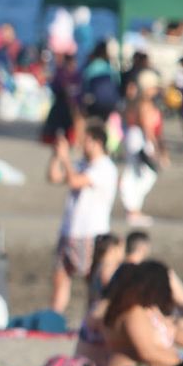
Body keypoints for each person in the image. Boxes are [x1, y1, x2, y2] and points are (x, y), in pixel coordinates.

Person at [48, 121, 117, 315]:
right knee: (60, 278)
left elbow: (75, 181)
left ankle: (92, 320)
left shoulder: (105, 167)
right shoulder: (82, 163)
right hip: (68, 230)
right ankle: (55, 318)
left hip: (91, 232)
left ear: (96, 142)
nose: (80, 144)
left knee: (92, 283)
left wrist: (65, 159)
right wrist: (57, 156)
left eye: (85, 141)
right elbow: (53, 177)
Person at [121, 69, 166, 227]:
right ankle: (133, 209)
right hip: (140, 138)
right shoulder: (145, 104)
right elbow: (148, 128)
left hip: (133, 137)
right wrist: (156, 148)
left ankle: (133, 209)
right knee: (143, 174)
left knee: (136, 172)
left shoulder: (133, 101)